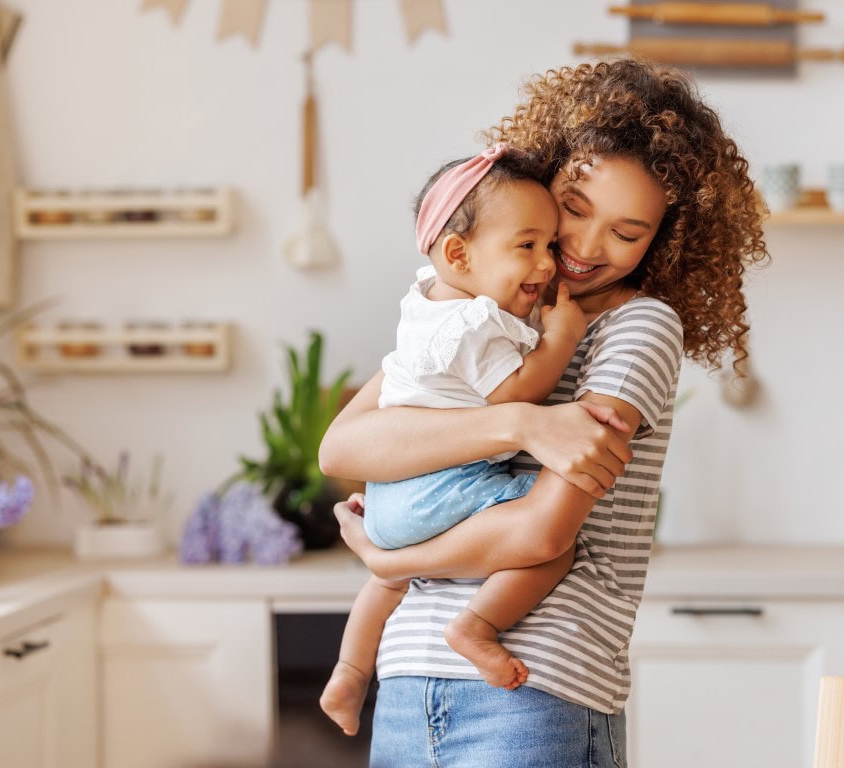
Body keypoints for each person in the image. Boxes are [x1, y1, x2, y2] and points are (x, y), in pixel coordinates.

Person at [320, 57, 768, 766]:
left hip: (534, 691)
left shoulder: (638, 327)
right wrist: (521, 422)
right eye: (575, 209)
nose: (587, 249)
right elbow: (342, 449)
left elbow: (539, 532)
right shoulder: (480, 313)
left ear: (665, 240)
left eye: (627, 233)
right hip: (407, 684)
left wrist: (386, 556)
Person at [319, 144, 590, 735]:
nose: (547, 265)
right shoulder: (475, 322)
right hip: (440, 487)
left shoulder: (426, 306)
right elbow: (515, 395)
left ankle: (348, 671)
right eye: (527, 246)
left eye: (550, 245)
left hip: (390, 495)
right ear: (458, 253)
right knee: (554, 543)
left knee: (387, 577)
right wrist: (561, 339)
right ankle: (477, 626)